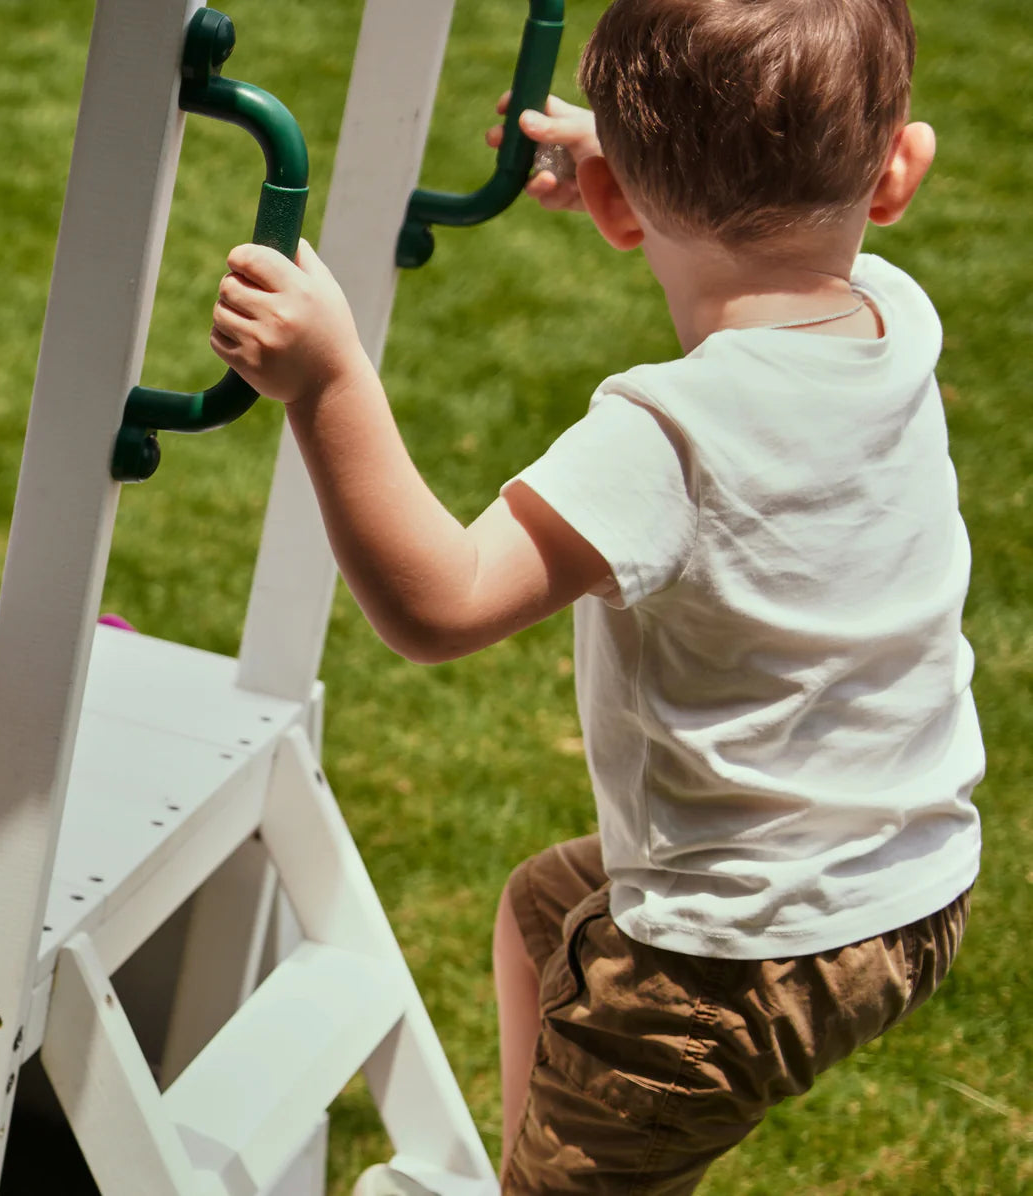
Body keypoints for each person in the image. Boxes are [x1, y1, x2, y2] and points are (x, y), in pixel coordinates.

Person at [209, 0, 984, 1190]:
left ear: (617, 205)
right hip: (905, 888)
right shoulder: (892, 313)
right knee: (545, 912)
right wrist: (629, 165)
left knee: (582, 964)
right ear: (897, 172)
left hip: (724, 967)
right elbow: (761, 273)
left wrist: (327, 381)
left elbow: (440, 600)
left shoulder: (662, 436)